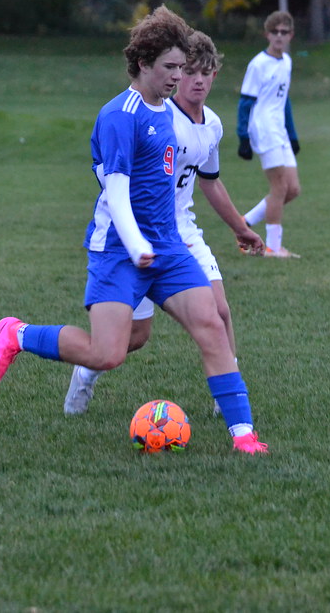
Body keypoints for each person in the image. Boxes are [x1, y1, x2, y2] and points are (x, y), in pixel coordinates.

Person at [0, 7, 269, 455]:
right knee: (107, 354)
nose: (177, 76)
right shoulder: (119, 115)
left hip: (167, 247)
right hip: (119, 250)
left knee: (211, 320)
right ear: (142, 65)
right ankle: (15, 334)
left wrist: (170, 242)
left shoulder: (170, 116)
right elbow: (116, 193)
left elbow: (192, 180)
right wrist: (136, 247)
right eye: (170, 67)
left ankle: (244, 436)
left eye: (182, 67)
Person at [64, 30, 264, 417]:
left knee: (218, 313)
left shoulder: (212, 126)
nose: (196, 80)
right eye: (187, 70)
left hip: (181, 232)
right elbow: (114, 172)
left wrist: (239, 226)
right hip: (138, 232)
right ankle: (86, 371)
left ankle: (232, 404)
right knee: (133, 339)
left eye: (207, 73)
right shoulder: (154, 113)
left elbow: (211, 182)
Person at [236, 10, 302, 259]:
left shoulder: (286, 62)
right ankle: (273, 247)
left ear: (291, 36)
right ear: (267, 34)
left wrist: (293, 135)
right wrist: (243, 136)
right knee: (279, 187)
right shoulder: (258, 64)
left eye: (284, 32)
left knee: (293, 189)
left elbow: (283, 101)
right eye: (275, 31)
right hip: (263, 129)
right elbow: (245, 102)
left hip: (280, 130)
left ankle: (244, 222)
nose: (279, 36)